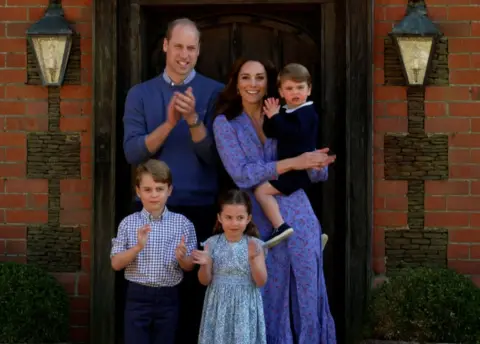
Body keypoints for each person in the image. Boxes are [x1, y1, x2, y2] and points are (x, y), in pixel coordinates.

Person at [212, 58, 337, 343]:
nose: (253, 84)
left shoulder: (289, 111)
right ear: (236, 82)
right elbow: (242, 175)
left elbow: (316, 173)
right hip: (256, 218)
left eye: (259, 78)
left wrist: (318, 163)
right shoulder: (225, 123)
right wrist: (295, 162)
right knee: (267, 294)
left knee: (308, 290)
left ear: (270, 84)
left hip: (298, 210)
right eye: (246, 78)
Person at [122, 18, 224, 343]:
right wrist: (169, 124)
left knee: (195, 301)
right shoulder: (140, 94)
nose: (184, 54)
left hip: (201, 208)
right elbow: (132, 153)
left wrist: (193, 119)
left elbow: (217, 158)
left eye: (191, 48)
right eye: (178, 46)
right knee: (152, 301)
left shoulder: (215, 92)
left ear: (198, 51)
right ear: (165, 45)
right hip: (152, 210)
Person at [110, 160, 197, 344]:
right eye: (148, 189)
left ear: (169, 190)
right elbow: (116, 264)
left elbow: (189, 266)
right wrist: (137, 248)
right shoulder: (128, 223)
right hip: (137, 296)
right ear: (138, 191)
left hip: (169, 297)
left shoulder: (183, 224)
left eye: (159, 188)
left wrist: (182, 258)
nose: (154, 195)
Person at [255, 63, 321, 248]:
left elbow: (293, 133)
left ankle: (280, 226)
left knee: (261, 191)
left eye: (300, 87)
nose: (295, 92)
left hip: (297, 171)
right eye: (289, 88)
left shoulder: (307, 113)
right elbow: (273, 133)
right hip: (289, 169)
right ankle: (310, 235)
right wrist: (270, 117)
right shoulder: (288, 111)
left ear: (309, 90)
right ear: (281, 92)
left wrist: (276, 117)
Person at [192, 189, 267, 344]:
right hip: (218, 305)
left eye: (240, 218)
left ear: (248, 218)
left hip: (245, 305)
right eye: (229, 217)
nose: (234, 223)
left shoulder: (255, 245)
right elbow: (204, 281)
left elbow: (261, 281)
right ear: (220, 217)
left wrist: (253, 259)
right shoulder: (211, 243)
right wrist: (205, 265)